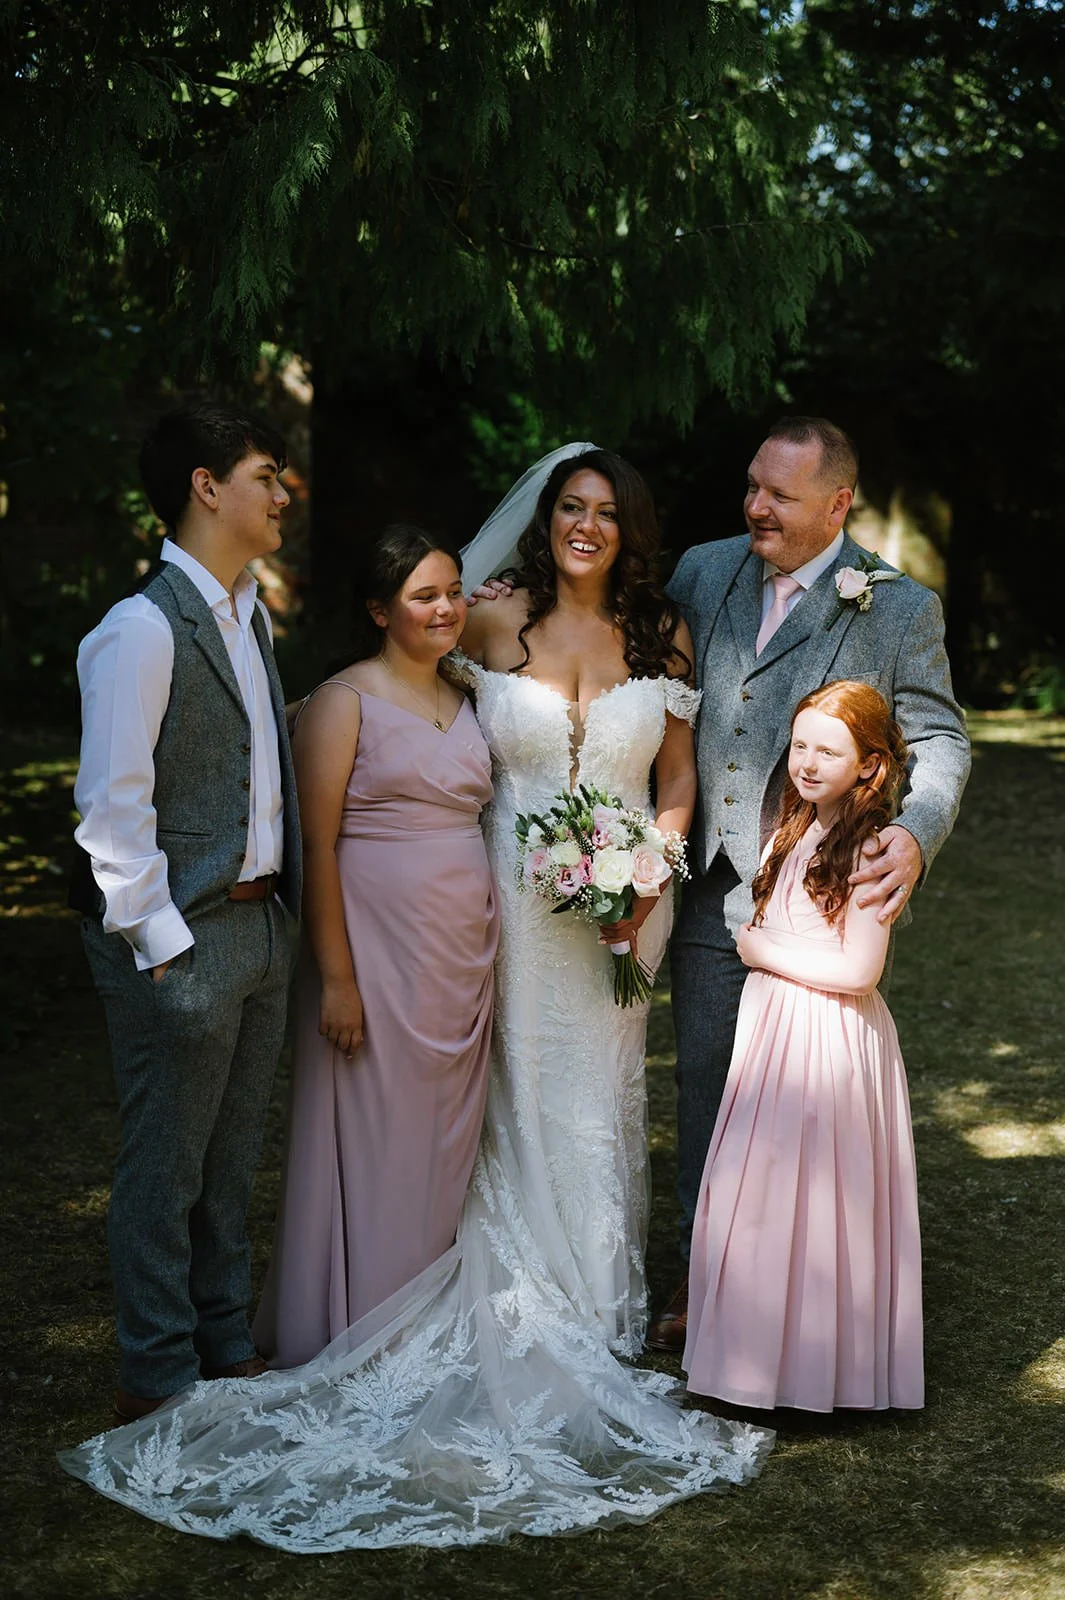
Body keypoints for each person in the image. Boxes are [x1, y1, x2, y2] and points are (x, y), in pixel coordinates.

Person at [58, 444, 772, 1550]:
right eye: (569, 508)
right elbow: (403, 692)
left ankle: (598, 1309)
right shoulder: (493, 621)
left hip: (626, 911)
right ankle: (483, 1296)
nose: (587, 525)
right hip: (501, 914)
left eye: (606, 512)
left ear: (631, 528)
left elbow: (674, 776)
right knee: (503, 1098)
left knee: (605, 1098)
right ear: (546, 520)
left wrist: (650, 871)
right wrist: (454, 603)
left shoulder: (661, 633)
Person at [650, 415, 970, 1354]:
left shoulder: (897, 606)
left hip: (823, 892)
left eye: (779, 495)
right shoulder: (702, 572)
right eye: (750, 484)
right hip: (712, 882)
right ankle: (699, 1273)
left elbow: (941, 737)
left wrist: (913, 832)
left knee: (800, 1095)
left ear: (838, 504)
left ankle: (802, 1286)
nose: (755, 505)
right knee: (709, 1080)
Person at [70, 403, 300, 1423]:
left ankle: (225, 1342)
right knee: (164, 1168)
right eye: (264, 474)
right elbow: (111, 812)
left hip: (259, 929)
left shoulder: (250, 616)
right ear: (207, 486)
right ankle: (158, 1374)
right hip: (183, 940)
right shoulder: (140, 628)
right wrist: (165, 954)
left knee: (230, 1159)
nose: (281, 491)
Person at [253, 527, 499, 1367]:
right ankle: (353, 1321)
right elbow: (314, 847)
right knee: (369, 1130)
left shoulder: (468, 696)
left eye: (453, 591)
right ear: (377, 610)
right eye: (423, 595)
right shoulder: (343, 700)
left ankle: (425, 1309)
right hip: (371, 951)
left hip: (459, 957)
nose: (445, 608)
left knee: (440, 1139)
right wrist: (337, 980)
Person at [684, 681, 923, 1411]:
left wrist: (761, 953)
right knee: (757, 1195)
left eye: (830, 750)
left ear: (869, 765)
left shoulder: (873, 844)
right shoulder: (799, 827)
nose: (808, 762)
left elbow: (859, 969)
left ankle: (820, 1369)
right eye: (799, 746)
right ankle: (752, 1362)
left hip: (825, 1041)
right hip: (775, 1035)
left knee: (815, 1204)